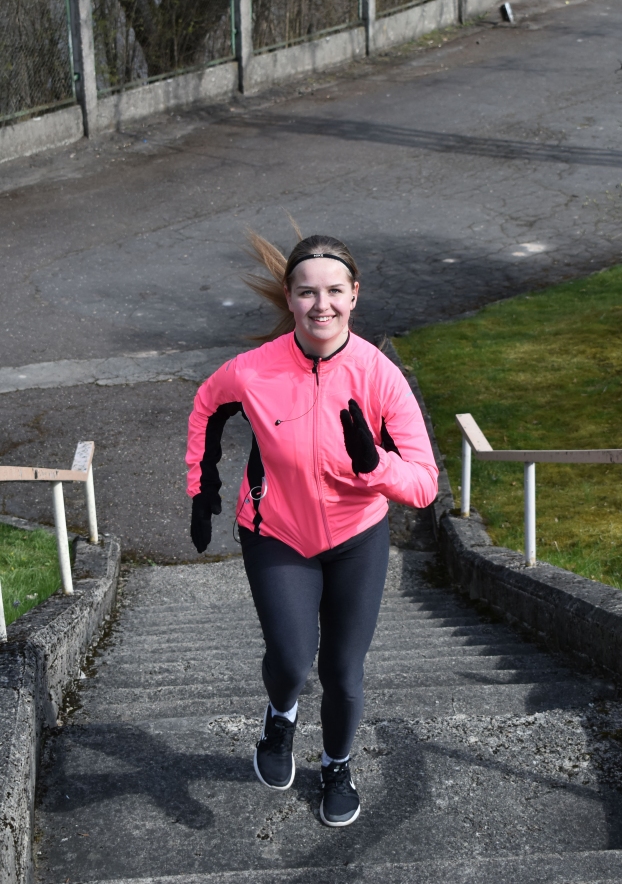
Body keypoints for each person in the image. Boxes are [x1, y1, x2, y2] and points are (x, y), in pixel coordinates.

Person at [185, 232, 438, 827]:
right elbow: (206, 406)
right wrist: (203, 492)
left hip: (357, 538)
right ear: (290, 298)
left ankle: (336, 764)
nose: (320, 305)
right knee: (294, 662)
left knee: (344, 673)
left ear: (354, 296)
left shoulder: (380, 377)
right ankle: (280, 717)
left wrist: (373, 462)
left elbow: (424, 484)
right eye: (306, 293)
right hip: (276, 532)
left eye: (333, 291)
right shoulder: (254, 370)